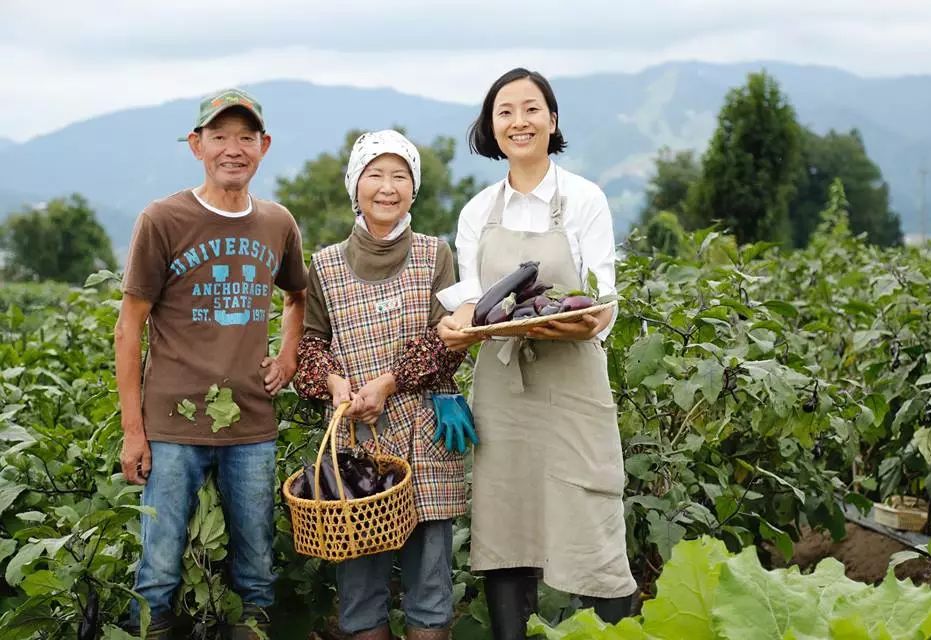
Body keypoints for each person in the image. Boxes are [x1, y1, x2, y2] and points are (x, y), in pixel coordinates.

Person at [436, 68, 637, 638]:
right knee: (506, 517)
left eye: (531, 109)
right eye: (505, 111)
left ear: (552, 120)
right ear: (490, 126)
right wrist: (457, 328)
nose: (518, 121)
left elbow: (603, 296)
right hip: (502, 386)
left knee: (590, 510)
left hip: (573, 381)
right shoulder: (479, 210)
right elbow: (476, 303)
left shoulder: (584, 199)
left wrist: (585, 321)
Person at [114, 87, 308, 640]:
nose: (233, 149)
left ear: (264, 146)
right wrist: (134, 432)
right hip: (172, 423)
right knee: (158, 569)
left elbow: (298, 296)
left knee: (256, 569)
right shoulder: (163, 220)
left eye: (246, 138)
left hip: (251, 422)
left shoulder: (277, 224)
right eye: (219, 137)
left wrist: (289, 353)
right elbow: (129, 330)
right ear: (197, 145)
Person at [293, 130, 467, 640]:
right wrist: (334, 382)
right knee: (361, 592)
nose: (387, 187)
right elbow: (309, 345)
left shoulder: (436, 255)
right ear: (355, 186)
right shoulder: (324, 265)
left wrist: (388, 384)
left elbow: (449, 339)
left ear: (414, 189)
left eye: (400, 176)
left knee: (430, 587)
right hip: (354, 443)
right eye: (375, 175)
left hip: (425, 433)